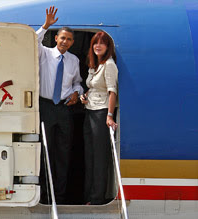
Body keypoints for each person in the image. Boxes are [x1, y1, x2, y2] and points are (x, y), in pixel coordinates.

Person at [37, 6, 83, 204]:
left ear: (72, 42)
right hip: (45, 107)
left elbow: (78, 83)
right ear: (56, 38)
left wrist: (76, 93)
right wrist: (46, 25)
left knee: (63, 153)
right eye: (62, 37)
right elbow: (33, 41)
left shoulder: (74, 60)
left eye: (69, 39)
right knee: (46, 151)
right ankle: (45, 196)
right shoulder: (45, 54)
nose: (65, 41)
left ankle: (61, 196)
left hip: (64, 109)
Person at [80, 31, 118, 205]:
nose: (98, 46)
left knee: (99, 157)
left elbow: (112, 91)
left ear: (108, 46)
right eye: (95, 43)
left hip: (101, 112)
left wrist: (109, 116)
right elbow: (94, 87)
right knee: (90, 155)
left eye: (102, 43)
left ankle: (96, 198)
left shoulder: (109, 64)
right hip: (90, 109)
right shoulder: (95, 65)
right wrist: (84, 95)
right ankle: (88, 196)